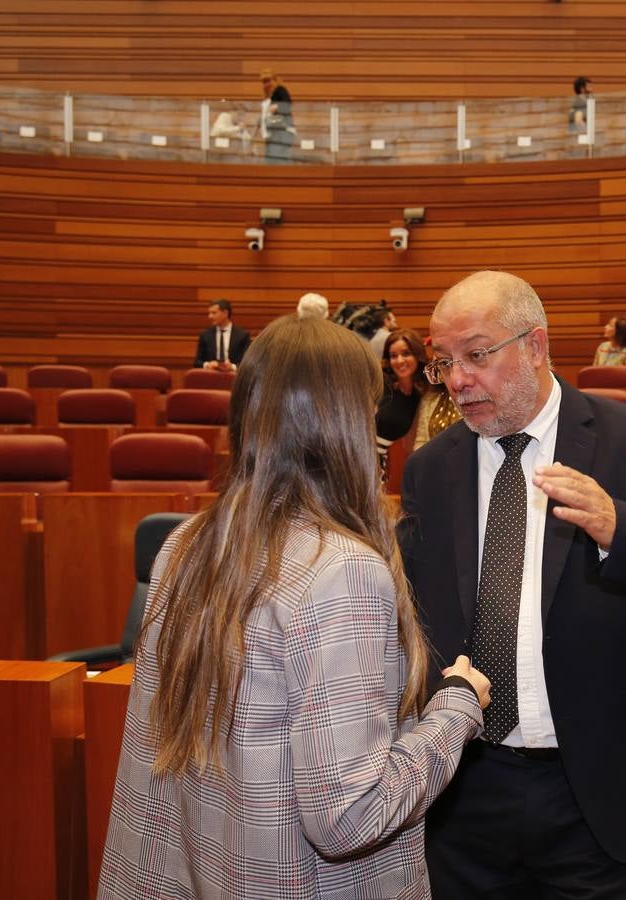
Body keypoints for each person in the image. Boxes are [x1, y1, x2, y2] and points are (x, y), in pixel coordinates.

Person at [97, 316, 490, 899]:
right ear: (345, 424)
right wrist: (457, 707)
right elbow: (349, 815)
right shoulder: (342, 571)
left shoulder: (186, 543)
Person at [400, 270, 626, 898]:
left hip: (597, 793)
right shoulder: (432, 467)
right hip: (463, 792)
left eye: (476, 355)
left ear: (535, 345)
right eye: (443, 362)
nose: (457, 380)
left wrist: (622, 528)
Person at [375, 328, 430, 465]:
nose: (399, 361)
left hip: (393, 462)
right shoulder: (380, 384)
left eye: (406, 354)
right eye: (393, 356)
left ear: (418, 355)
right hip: (364, 457)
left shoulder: (426, 392)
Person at [193, 298, 251, 370]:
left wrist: (232, 367)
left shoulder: (242, 336)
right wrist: (208, 364)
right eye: (209, 313)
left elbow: (247, 363)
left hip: (234, 377)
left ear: (225, 313)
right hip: (211, 376)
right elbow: (197, 362)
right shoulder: (205, 335)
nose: (210, 316)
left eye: (214, 313)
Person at [259, 68, 294, 164]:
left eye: (268, 81)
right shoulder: (267, 96)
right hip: (272, 135)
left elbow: (287, 106)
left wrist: (276, 108)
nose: (266, 84)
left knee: (277, 164)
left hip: (280, 135)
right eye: (264, 82)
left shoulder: (280, 90)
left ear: (275, 80)